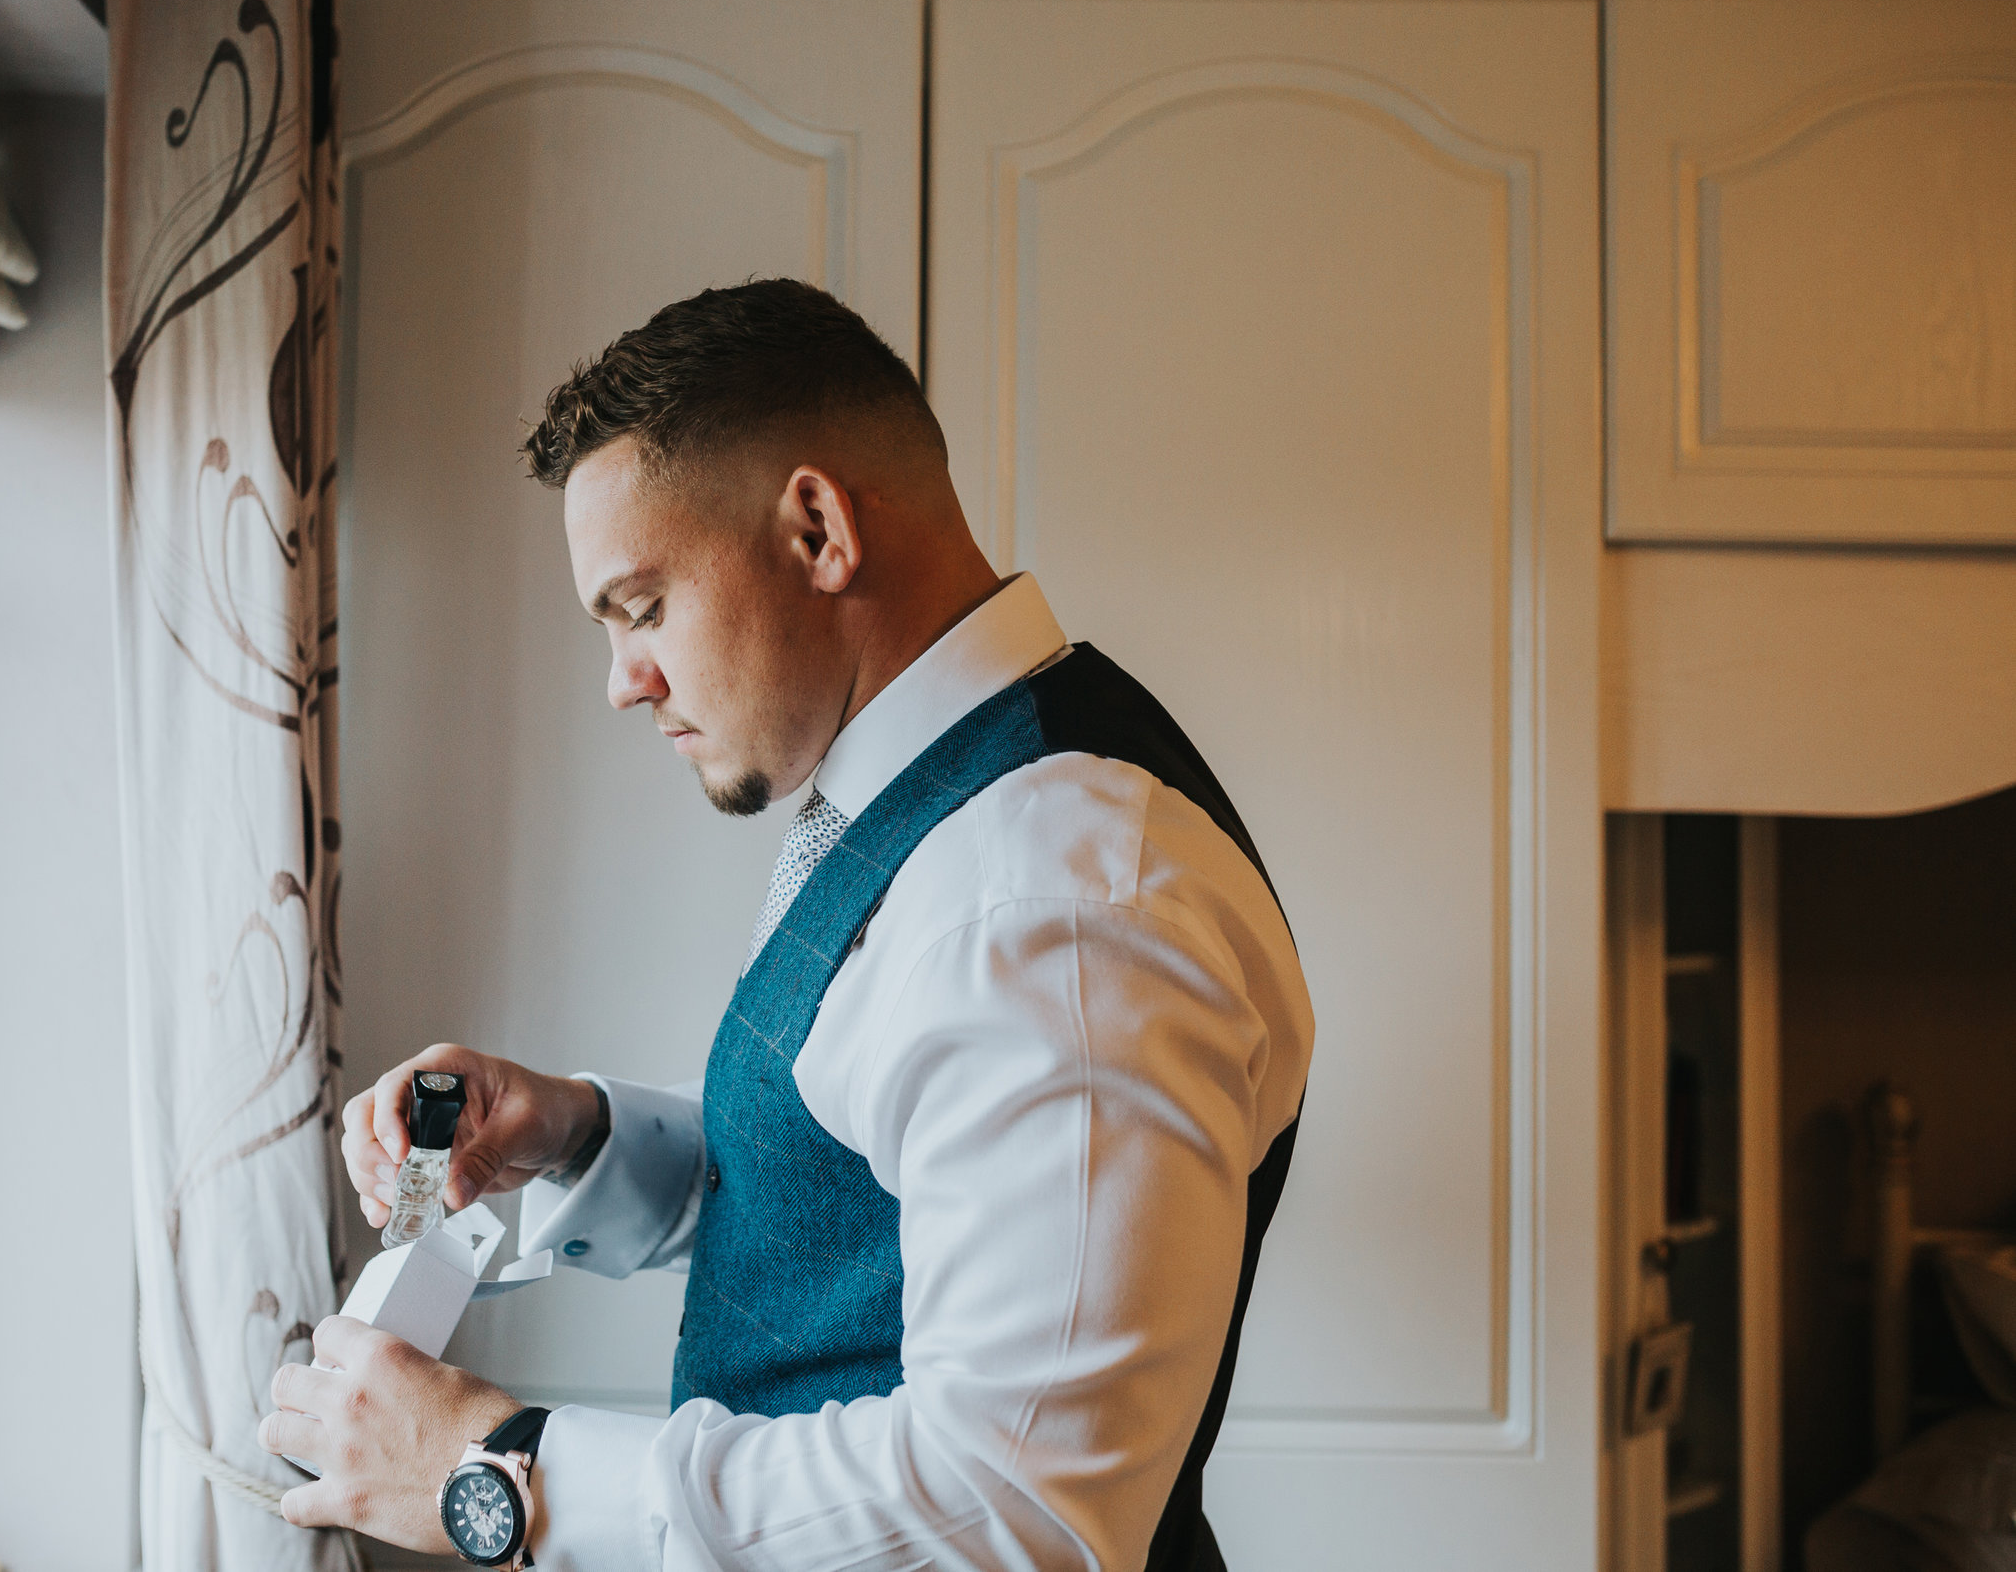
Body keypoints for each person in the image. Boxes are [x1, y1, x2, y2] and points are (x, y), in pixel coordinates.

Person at [258, 279, 1314, 1572]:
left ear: (817, 528)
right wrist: (577, 1134)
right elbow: (878, 1174)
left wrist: (496, 1470)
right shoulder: (939, 811)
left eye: (641, 608)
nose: (620, 682)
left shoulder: (1051, 897)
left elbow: (1017, 1512)